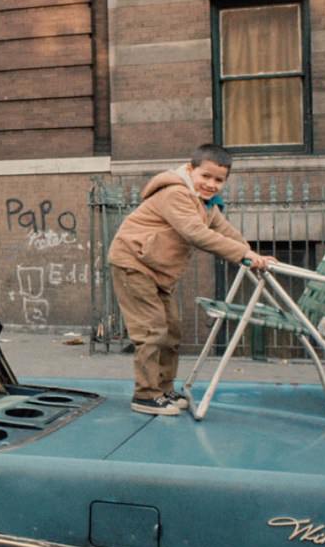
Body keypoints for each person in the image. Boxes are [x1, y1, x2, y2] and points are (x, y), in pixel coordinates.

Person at [107, 143, 277, 416]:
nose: (211, 184)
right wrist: (242, 255)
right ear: (190, 170)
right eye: (205, 177)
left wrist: (253, 254)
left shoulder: (206, 204)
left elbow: (226, 231)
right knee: (151, 330)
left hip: (158, 270)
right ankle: (146, 395)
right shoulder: (176, 194)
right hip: (133, 263)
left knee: (171, 330)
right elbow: (195, 233)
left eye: (219, 180)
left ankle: (163, 388)